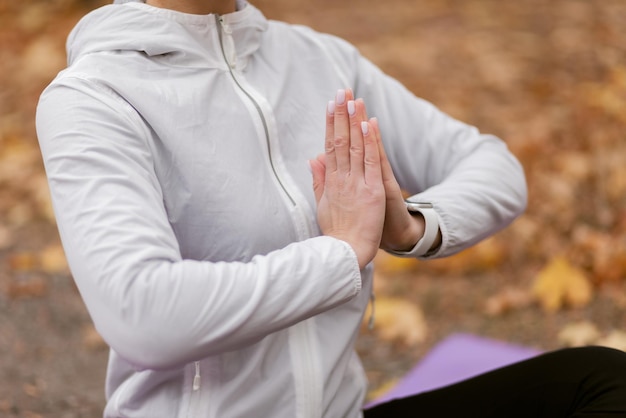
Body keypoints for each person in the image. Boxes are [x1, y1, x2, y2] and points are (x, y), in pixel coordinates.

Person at [36, 0, 626, 417]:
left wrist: (409, 225)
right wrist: (339, 253)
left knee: (600, 378)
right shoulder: (94, 97)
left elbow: (494, 166)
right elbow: (143, 315)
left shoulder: (320, 60)